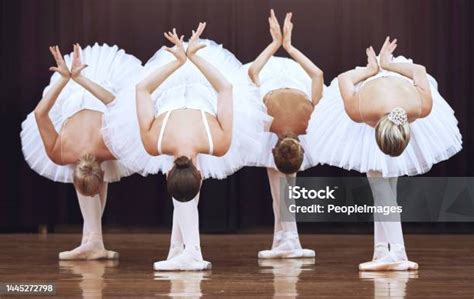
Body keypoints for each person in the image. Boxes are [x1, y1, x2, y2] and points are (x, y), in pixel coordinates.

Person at [104, 22, 268, 270]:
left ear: (200, 174)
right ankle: (185, 251)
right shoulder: (153, 142)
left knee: (184, 191)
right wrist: (182, 61)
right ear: (171, 172)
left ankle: (184, 251)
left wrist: (186, 60)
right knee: (183, 190)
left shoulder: (218, 143)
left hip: (201, 83)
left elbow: (224, 88)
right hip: (173, 83)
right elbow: (143, 89)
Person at [306, 37, 462, 270]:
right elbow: (346, 79)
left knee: (383, 185)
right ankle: (384, 251)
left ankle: (395, 252)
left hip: (397, 85)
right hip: (375, 88)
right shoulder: (361, 111)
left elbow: (418, 70)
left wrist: (384, 65)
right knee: (382, 185)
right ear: (373, 127)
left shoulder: (421, 107)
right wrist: (373, 70)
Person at [21, 43, 142, 260]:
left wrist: (68, 80)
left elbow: (40, 114)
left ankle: (93, 240)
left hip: (78, 94)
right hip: (93, 90)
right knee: (96, 172)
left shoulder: (64, 153)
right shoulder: (107, 148)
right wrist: (71, 80)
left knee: (95, 173)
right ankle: (93, 240)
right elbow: (115, 103)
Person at [245, 10, 324, 259]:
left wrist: (277, 44)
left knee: (278, 186)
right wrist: (286, 47)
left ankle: (287, 237)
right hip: (288, 78)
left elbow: (253, 73)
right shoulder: (309, 122)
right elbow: (318, 75)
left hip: (276, 82)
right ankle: (286, 238)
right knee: (284, 185)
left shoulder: (270, 120)